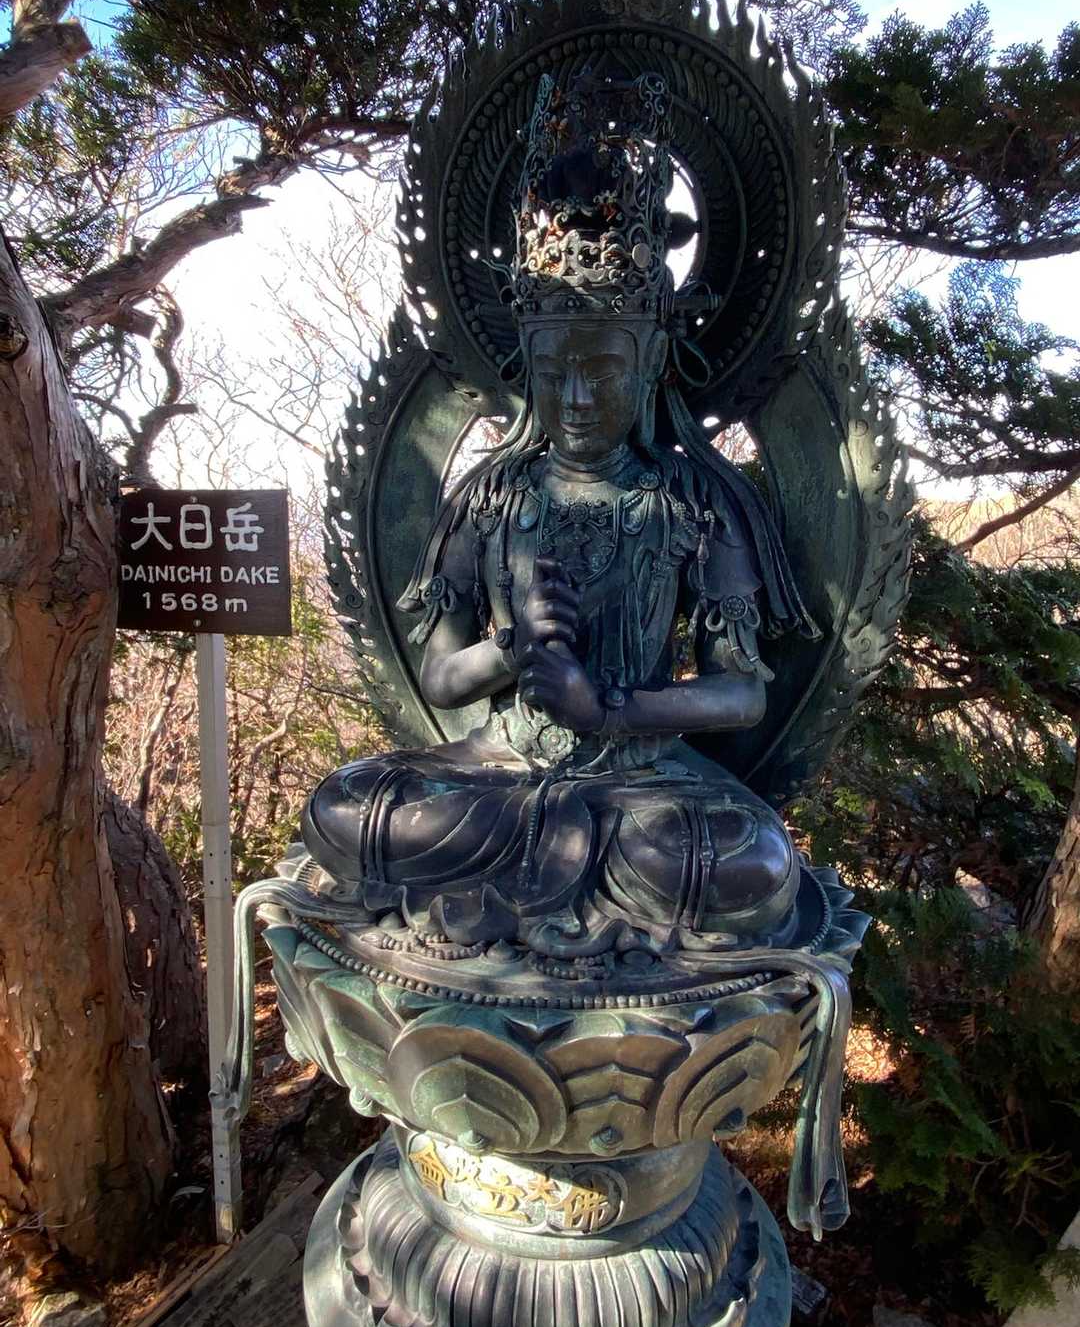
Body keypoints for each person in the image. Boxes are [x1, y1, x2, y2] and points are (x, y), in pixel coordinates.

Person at [301, 71, 820, 958]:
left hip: (647, 785)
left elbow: (741, 691)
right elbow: (441, 680)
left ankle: (526, 891)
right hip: (500, 768)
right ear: (527, 372)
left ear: (651, 365)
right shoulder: (491, 496)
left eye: (604, 371)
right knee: (345, 807)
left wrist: (608, 708)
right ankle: (573, 888)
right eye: (554, 373)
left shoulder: (696, 502)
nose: (577, 398)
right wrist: (511, 649)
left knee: (753, 862)